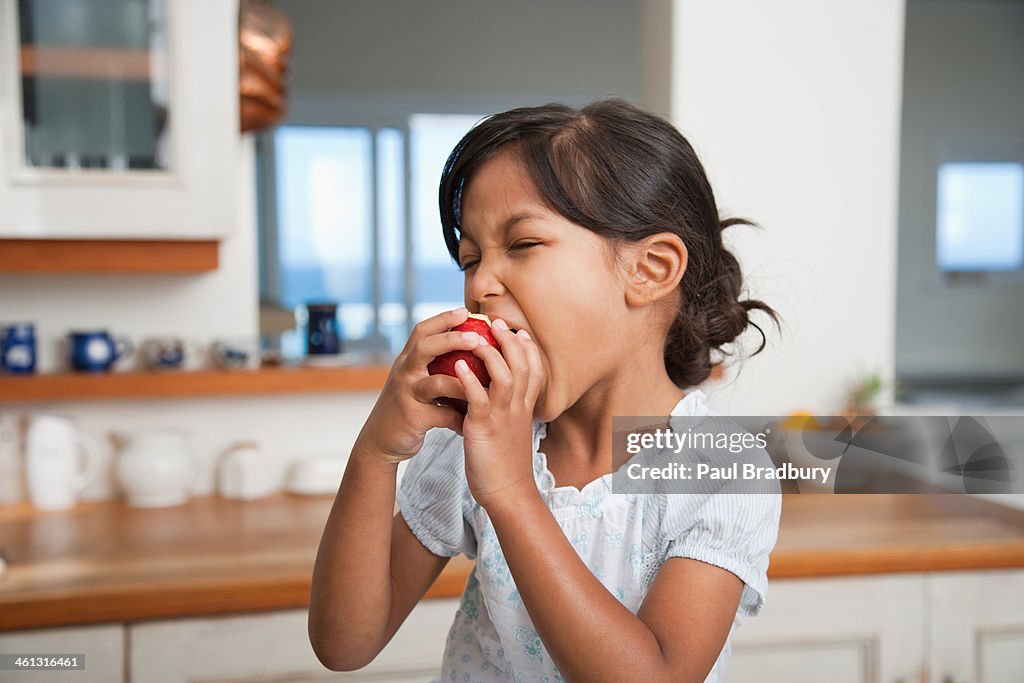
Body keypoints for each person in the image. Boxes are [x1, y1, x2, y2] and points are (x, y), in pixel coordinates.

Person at [309, 98, 783, 682]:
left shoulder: (720, 469)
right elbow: (344, 643)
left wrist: (510, 490)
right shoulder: (469, 441)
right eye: (470, 257)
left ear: (650, 270)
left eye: (523, 245)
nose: (480, 284)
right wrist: (377, 451)